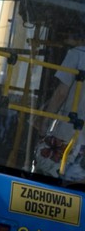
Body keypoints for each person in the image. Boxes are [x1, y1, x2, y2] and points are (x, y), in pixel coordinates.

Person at [36, 41, 85, 181]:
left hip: (67, 134)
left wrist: (44, 124)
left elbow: (60, 94)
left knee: (50, 181)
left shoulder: (77, 54)